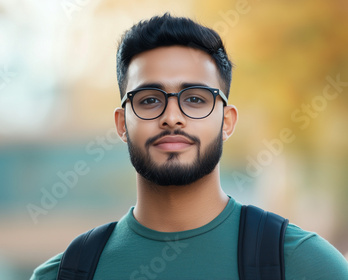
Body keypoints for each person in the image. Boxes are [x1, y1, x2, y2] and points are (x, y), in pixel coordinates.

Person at [30, 13, 348, 279]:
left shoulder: (305, 265)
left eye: (195, 99)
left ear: (227, 121)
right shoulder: (66, 273)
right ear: (121, 123)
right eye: (150, 99)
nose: (172, 117)